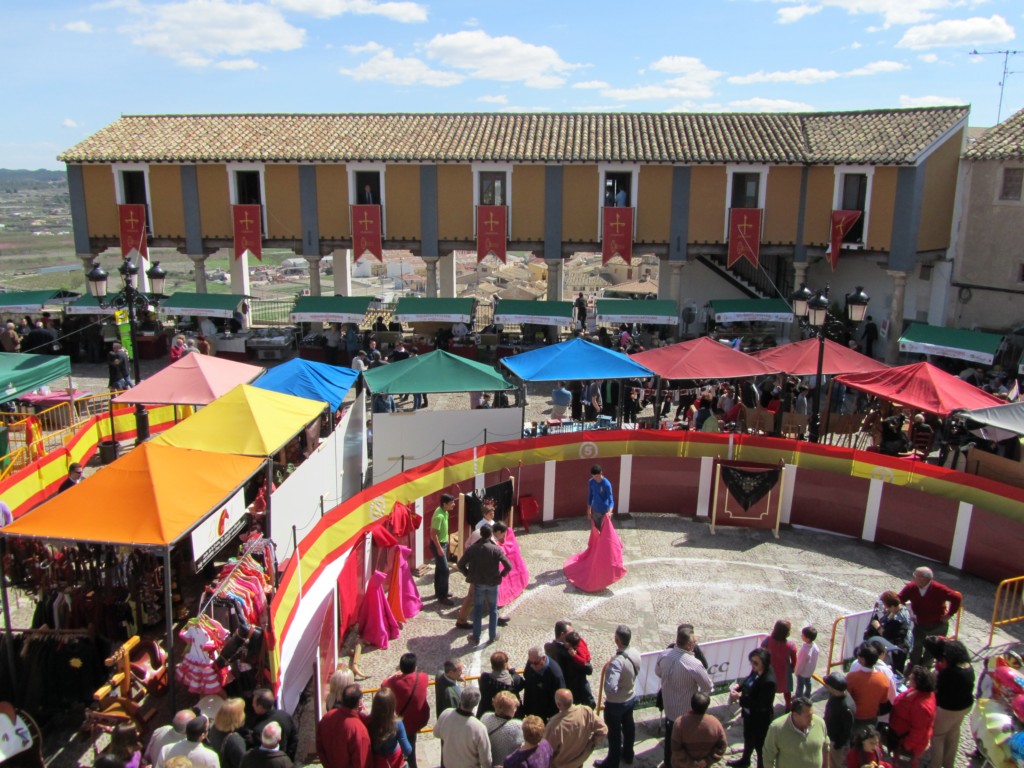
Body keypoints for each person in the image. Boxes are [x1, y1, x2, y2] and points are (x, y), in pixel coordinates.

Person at [657, 625, 713, 768]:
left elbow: (658, 672)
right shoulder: (694, 664)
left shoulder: (664, 655)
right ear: (689, 644)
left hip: (669, 709)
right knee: (685, 745)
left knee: (670, 740)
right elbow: (708, 687)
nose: (695, 644)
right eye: (694, 642)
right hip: (685, 714)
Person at [898, 567, 962, 670]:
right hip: (920, 624)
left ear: (924, 578)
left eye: (915, 575)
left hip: (937, 624)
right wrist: (907, 611)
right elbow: (900, 598)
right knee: (915, 645)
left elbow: (956, 598)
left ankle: (925, 667)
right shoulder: (912, 587)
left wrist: (949, 614)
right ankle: (914, 665)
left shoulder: (938, 588)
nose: (913, 577)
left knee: (933, 648)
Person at [458, 524, 512, 645]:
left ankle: (475, 636)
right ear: (491, 534)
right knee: (493, 609)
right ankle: (492, 636)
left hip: (478, 583)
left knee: (478, 609)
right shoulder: (496, 549)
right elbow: (509, 566)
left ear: (481, 534)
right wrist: (501, 575)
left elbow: (460, 564)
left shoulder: (473, 549)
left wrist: (468, 574)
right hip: (493, 583)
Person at [598, 624, 640, 768]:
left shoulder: (616, 662)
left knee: (614, 734)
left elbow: (610, 687)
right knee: (629, 728)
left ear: (617, 640)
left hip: (616, 704)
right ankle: (628, 755)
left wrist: (613, 692)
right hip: (630, 697)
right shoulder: (635, 652)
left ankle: (612, 762)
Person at [928, 639, 975, 768]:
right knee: (953, 733)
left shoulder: (949, 673)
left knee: (938, 737)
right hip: (965, 706)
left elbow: (937, 689)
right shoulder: (969, 668)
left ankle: (935, 765)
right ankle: (948, 764)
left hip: (948, 709)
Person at [727, 648, 776, 768]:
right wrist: (739, 687)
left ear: (764, 663)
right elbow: (748, 680)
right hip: (749, 715)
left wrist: (740, 698)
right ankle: (745, 760)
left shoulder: (769, 681)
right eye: (752, 662)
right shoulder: (756, 670)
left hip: (760, 719)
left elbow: (760, 703)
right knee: (748, 738)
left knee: (760, 746)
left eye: (756, 663)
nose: (753, 665)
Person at [382, 653, 430, 768]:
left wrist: (394, 676)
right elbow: (424, 677)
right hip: (416, 722)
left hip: (399, 722)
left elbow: (383, 685)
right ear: (415, 667)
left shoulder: (394, 682)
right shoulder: (422, 678)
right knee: (410, 750)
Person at [542, 689, 606, 768]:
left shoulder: (554, 725)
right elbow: (603, 730)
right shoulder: (586, 711)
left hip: (560, 765)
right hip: (579, 762)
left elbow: (545, 751)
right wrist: (590, 744)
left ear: (558, 704)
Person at [888, 666, 937, 768]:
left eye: (912, 677)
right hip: (900, 736)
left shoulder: (922, 707)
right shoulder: (918, 691)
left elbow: (918, 731)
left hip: (907, 743)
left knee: (904, 764)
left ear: (918, 682)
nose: (909, 676)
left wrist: (906, 746)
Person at [760, 696, 828, 768]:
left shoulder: (819, 723)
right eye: (808, 716)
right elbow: (768, 757)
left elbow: (826, 747)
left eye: (812, 714)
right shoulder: (777, 728)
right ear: (795, 714)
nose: (812, 719)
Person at [434, 688, 492, 768]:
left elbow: (436, 733)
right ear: (476, 704)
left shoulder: (446, 713)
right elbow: (485, 761)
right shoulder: (479, 728)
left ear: (460, 698)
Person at [316, 683, 371, 768]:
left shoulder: (327, 717)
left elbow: (320, 747)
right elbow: (361, 763)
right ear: (358, 702)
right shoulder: (358, 729)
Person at [669, 691, 727, 768]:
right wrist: (706, 761)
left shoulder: (679, 723)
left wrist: (691, 764)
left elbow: (676, 749)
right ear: (707, 706)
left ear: (691, 704)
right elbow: (722, 746)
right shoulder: (715, 723)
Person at [864, 591, 913, 673]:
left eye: (886, 606)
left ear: (892, 606)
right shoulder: (903, 609)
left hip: (898, 648)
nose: (885, 608)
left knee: (896, 670)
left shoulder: (896, 619)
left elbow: (886, 635)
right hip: (905, 643)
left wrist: (877, 626)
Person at [846, 644, 891, 729]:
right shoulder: (883, 679)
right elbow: (883, 700)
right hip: (872, 719)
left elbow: (846, 697)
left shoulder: (851, 677)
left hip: (854, 718)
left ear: (862, 660)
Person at [247, 689, 296, 761]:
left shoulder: (259, 728)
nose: (252, 705)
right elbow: (294, 740)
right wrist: (288, 759)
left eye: (254, 703)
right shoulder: (285, 716)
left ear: (260, 706)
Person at [368, 688, 412, 768]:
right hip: (395, 763)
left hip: (377, 763)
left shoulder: (369, 721)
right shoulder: (397, 723)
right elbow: (407, 749)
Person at [481, 691, 524, 767]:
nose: (515, 710)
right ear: (510, 709)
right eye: (514, 707)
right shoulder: (518, 726)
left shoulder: (485, 717)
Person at [761, 620, 797, 709]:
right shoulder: (790, 645)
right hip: (784, 672)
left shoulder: (767, 640)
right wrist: (792, 667)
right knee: (787, 690)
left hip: (770, 671)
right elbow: (794, 660)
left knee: (771, 690)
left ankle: (770, 707)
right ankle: (788, 705)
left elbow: (762, 651)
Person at [523, 647, 566, 722]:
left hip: (546, 714)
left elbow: (560, 695)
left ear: (543, 658)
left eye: (535, 663)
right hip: (531, 707)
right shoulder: (533, 662)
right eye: (530, 662)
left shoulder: (555, 674)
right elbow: (526, 675)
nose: (532, 665)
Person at [478, 651, 525, 718]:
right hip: (510, 715)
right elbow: (521, 684)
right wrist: (512, 671)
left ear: (492, 665)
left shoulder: (484, 678)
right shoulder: (514, 680)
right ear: (505, 665)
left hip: (489, 714)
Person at [823, 672, 855, 768]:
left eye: (828, 685)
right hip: (831, 738)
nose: (826, 686)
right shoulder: (835, 696)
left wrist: (837, 745)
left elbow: (847, 731)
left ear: (834, 688)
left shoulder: (846, 707)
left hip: (837, 745)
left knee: (837, 765)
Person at [430, 494, 456, 605]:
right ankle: (443, 596)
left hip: (443, 543)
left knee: (439, 569)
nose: (454, 504)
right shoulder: (439, 516)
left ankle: (438, 592)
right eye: (451, 503)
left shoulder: (445, 512)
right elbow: (433, 534)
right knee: (445, 570)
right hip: (439, 545)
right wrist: (439, 548)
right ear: (445, 504)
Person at [208, 699, 247, 768]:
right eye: (242, 712)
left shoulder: (214, 728)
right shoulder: (235, 740)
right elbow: (242, 764)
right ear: (236, 718)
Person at [795, 626, 820, 700]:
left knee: (800, 685)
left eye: (803, 635)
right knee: (808, 683)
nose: (801, 636)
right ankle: (807, 694)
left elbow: (800, 663)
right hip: (809, 671)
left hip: (802, 672)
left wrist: (797, 672)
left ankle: (798, 698)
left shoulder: (804, 650)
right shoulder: (815, 647)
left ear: (808, 639)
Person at [586, 465, 614, 530]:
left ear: (601, 473)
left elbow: (611, 500)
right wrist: (589, 510)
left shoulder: (606, 484)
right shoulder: (591, 482)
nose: (595, 478)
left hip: (605, 511)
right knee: (596, 530)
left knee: (605, 531)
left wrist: (609, 512)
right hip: (595, 510)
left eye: (596, 476)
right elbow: (590, 496)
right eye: (593, 476)